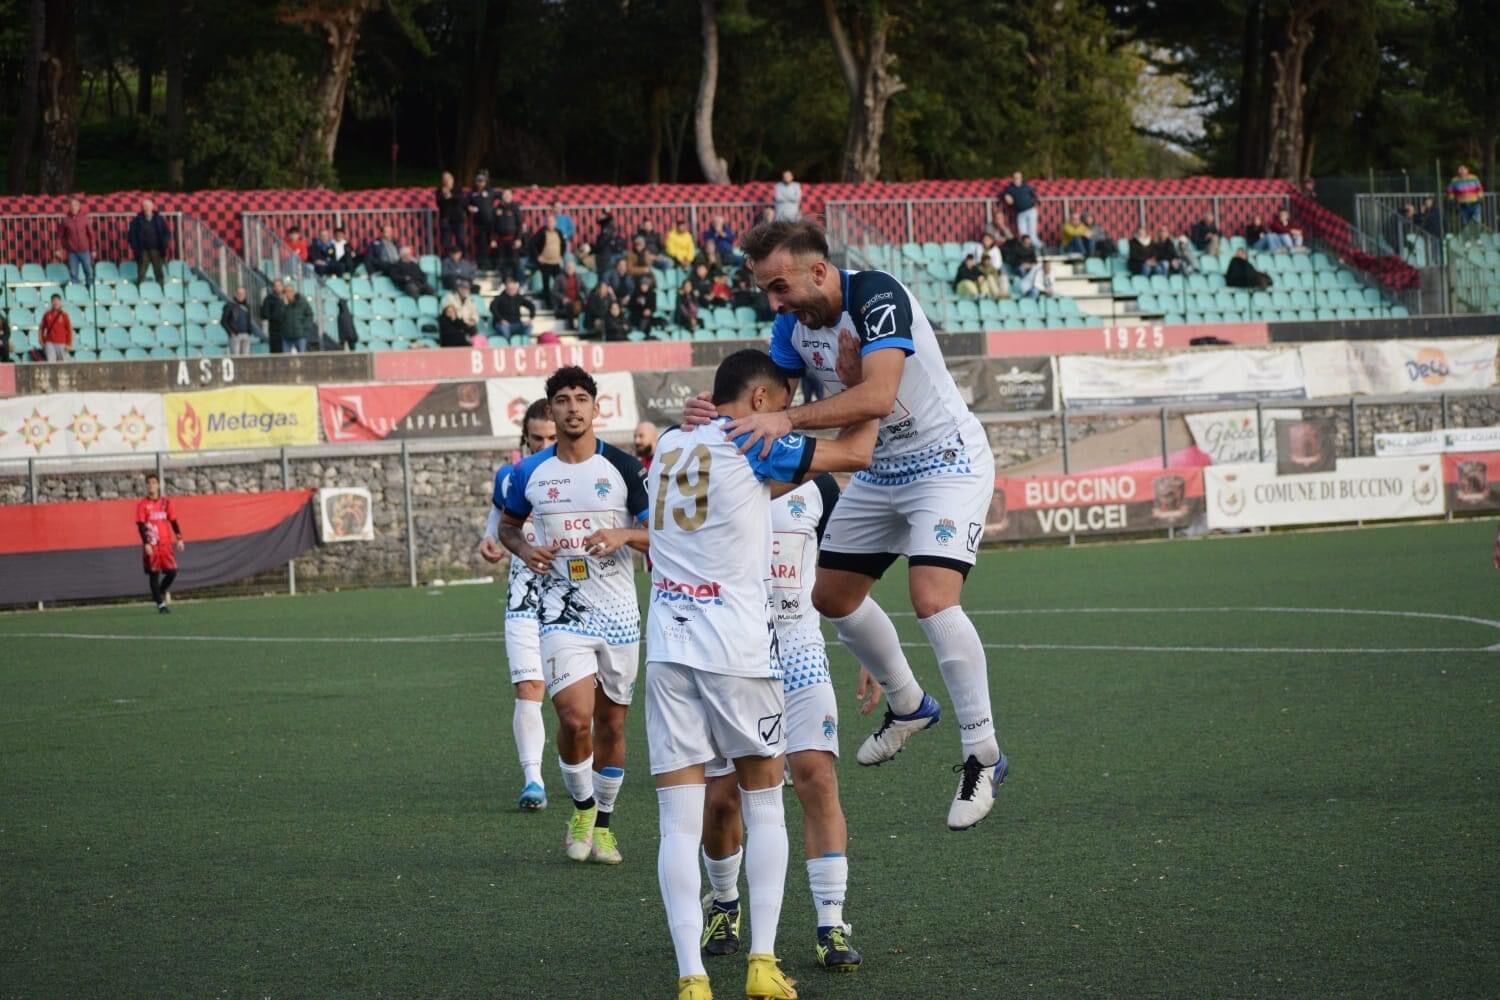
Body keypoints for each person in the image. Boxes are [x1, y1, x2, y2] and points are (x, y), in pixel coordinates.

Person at [683, 220, 1009, 832]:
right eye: (766, 291)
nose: (774, 303)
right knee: (831, 596)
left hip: (946, 462)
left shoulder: (876, 296)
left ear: (818, 270)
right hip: (879, 470)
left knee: (932, 598)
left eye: (779, 287)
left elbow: (879, 396)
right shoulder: (791, 328)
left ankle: (982, 754)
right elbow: (767, 402)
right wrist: (716, 411)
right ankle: (910, 705)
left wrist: (792, 421)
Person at [646, 349, 877, 1000]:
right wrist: (877, 395)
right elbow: (855, 454)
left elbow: (744, 481)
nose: (786, 421)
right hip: (737, 653)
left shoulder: (668, 443)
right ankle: (761, 964)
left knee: (677, 824)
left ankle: (691, 978)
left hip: (668, 651)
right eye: (781, 407)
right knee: (766, 807)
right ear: (758, 402)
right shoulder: (753, 442)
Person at [698, 471, 861, 975]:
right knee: (724, 797)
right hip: (732, 657)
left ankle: (830, 924)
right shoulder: (718, 476)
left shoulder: (822, 489)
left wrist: (869, 651)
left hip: (800, 650)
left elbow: (845, 578)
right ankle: (724, 904)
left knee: (817, 777)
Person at [499, 366, 650, 865]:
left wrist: (623, 536)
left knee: (611, 726)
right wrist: (524, 548)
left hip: (621, 615)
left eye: (581, 398)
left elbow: (666, 534)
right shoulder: (531, 473)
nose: (572, 408)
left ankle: (604, 824)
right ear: (552, 408)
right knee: (574, 717)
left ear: (595, 408)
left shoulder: (625, 469)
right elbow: (507, 525)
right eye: (562, 399)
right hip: (562, 610)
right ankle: (582, 809)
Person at [480, 400, 559, 809]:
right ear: (524, 439)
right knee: (529, 687)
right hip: (524, 595)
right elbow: (497, 517)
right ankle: (533, 780)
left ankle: (585, 773)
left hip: (576, 598)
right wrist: (488, 538)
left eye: (551, 437)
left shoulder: (583, 475)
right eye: (537, 439)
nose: (543, 445)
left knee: (580, 702)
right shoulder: (510, 477)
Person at [137, 473, 185, 614]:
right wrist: (146, 543)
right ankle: (160, 604)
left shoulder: (165, 503)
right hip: (152, 544)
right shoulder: (142, 505)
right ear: (146, 486)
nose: (151, 485)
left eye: (154, 482)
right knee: (154, 574)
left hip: (166, 544)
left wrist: (179, 538)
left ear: (158, 485)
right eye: (149, 483)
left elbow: (174, 521)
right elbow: (140, 525)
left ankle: (159, 592)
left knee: (172, 572)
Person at [127, 198, 170, 286]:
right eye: (143, 206)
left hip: (157, 249)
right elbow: (131, 235)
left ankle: (161, 289)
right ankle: (139, 289)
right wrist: (134, 247)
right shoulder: (137, 220)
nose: (145, 208)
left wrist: (164, 243)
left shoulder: (159, 219)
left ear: (152, 207)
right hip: (142, 250)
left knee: (158, 271)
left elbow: (166, 233)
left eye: (147, 206)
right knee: (142, 271)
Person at [528, 214, 568, 299]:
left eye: (552, 222)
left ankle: (559, 299)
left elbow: (563, 245)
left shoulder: (559, 232)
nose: (550, 223)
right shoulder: (542, 231)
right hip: (545, 262)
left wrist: (561, 255)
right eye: (549, 222)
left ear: (555, 223)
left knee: (559, 281)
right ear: (546, 223)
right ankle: (547, 300)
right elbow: (532, 244)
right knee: (546, 283)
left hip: (556, 262)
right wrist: (538, 256)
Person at [58, 197, 94, 288]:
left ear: (79, 207)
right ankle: (76, 292)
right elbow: (60, 236)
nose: (73, 207)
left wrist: (93, 249)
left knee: (89, 272)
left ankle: (89, 289)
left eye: (75, 205)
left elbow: (91, 235)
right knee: (73, 274)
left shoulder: (85, 219)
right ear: (69, 207)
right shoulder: (65, 220)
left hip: (85, 250)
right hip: (72, 252)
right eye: (72, 206)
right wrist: (59, 248)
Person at [468, 171, 498, 268]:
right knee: (482, 245)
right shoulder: (472, 193)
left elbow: (502, 197)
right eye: (478, 181)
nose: (480, 183)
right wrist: (469, 207)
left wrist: (498, 209)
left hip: (491, 223)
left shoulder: (490, 191)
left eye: (482, 181)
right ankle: (482, 265)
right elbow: (464, 203)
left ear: (485, 182)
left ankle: (494, 264)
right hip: (479, 224)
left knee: (494, 243)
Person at [494, 188, 525, 281]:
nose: (507, 197)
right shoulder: (497, 208)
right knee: (501, 262)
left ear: (511, 197)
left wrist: (518, 239)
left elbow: (520, 224)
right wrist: (493, 239)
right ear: (502, 197)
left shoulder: (515, 207)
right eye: (505, 195)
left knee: (515, 262)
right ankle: (504, 283)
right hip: (501, 241)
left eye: (508, 195)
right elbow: (493, 225)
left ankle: (518, 283)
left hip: (513, 240)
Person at [1001, 171, 1039, 243]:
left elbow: (1035, 196)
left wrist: (1034, 204)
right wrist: (1006, 196)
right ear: (1012, 179)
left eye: (1018, 177)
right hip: (1020, 213)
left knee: (1032, 233)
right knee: (1022, 233)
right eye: (1015, 178)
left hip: (1031, 211)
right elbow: (1002, 194)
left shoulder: (1027, 186)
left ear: (1021, 178)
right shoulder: (1010, 188)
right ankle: (1026, 249)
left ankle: (1038, 247)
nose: (1017, 179)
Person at [436, 171, 468, 254]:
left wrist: (451, 196)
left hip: (458, 220)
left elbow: (462, 200)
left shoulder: (458, 189)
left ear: (452, 180)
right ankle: (447, 260)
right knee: (446, 242)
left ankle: (463, 259)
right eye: (445, 179)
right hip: (446, 220)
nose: (447, 181)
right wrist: (445, 196)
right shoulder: (439, 190)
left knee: (461, 239)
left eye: (448, 179)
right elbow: (439, 203)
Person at [1447, 164, 1485, 234]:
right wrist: (1452, 200)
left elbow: (1479, 189)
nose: (1461, 171)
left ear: (1467, 170)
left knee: (1476, 221)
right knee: (1465, 222)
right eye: (1460, 169)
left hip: (1475, 204)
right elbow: (1450, 191)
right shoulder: (1454, 180)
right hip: (1462, 205)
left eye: (1463, 169)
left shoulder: (1474, 178)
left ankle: (1476, 238)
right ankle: (1467, 239)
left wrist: (1480, 197)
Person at [281, 283, 314, 354]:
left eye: (290, 291)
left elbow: (310, 315)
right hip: (286, 336)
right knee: (285, 359)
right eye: (286, 292)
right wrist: (284, 305)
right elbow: (279, 317)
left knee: (302, 357)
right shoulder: (282, 304)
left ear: (294, 292)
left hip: (300, 335)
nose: (288, 293)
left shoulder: (302, 301)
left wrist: (305, 328)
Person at [38, 294, 72, 362]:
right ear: (51, 302)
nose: (56, 302)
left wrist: (69, 344)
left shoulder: (64, 315)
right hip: (50, 343)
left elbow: (69, 330)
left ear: (60, 302)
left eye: (57, 301)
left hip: (62, 343)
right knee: (51, 362)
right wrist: (41, 340)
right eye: (54, 301)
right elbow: (41, 328)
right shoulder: (47, 314)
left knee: (64, 362)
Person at [551, 260, 585, 330]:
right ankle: (571, 327)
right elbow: (554, 291)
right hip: (564, 302)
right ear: (565, 268)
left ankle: (584, 327)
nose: (570, 269)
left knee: (587, 304)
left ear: (574, 269)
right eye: (568, 268)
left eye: (571, 268)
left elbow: (584, 288)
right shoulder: (559, 278)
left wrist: (588, 297)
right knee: (570, 306)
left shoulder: (578, 277)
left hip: (576, 300)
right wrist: (563, 298)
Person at [221, 287, 255, 356]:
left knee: (246, 358)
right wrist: (231, 333)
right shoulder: (229, 306)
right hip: (235, 336)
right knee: (236, 358)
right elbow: (223, 321)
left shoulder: (247, 307)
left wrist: (249, 331)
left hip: (246, 335)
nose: (241, 295)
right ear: (235, 294)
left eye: (243, 294)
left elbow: (249, 320)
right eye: (239, 294)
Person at [261, 279, 286, 354]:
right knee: (276, 352)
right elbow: (264, 314)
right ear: (273, 288)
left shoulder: (288, 297)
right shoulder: (268, 299)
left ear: (282, 287)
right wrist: (276, 317)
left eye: (279, 286)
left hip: (288, 331)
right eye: (276, 286)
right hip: (275, 331)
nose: (278, 288)